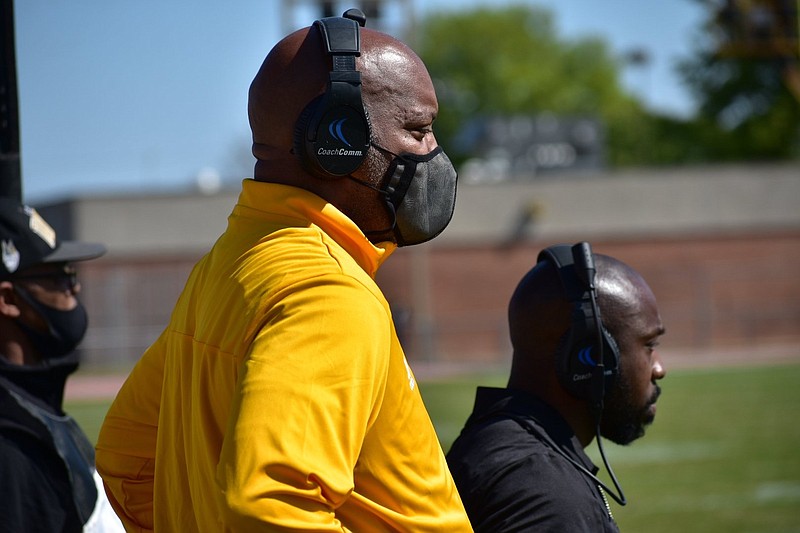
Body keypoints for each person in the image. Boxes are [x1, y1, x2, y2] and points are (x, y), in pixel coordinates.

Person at [95, 9, 472, 532]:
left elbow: (125, 456)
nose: (433, 152)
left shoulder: (227, 266)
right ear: (337, 137)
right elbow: (271, 505)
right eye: (418, 129)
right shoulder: (328, 293)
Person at [446, 242, 667, 532]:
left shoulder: (493, 440)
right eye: (649, 345)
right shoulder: (546, 498)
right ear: (588, 357)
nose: (659, 369)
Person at [0, 199, 125, 532]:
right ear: (9, 300)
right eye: (59, 277)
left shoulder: (37, 406)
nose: (75, 286)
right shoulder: (12, 446)